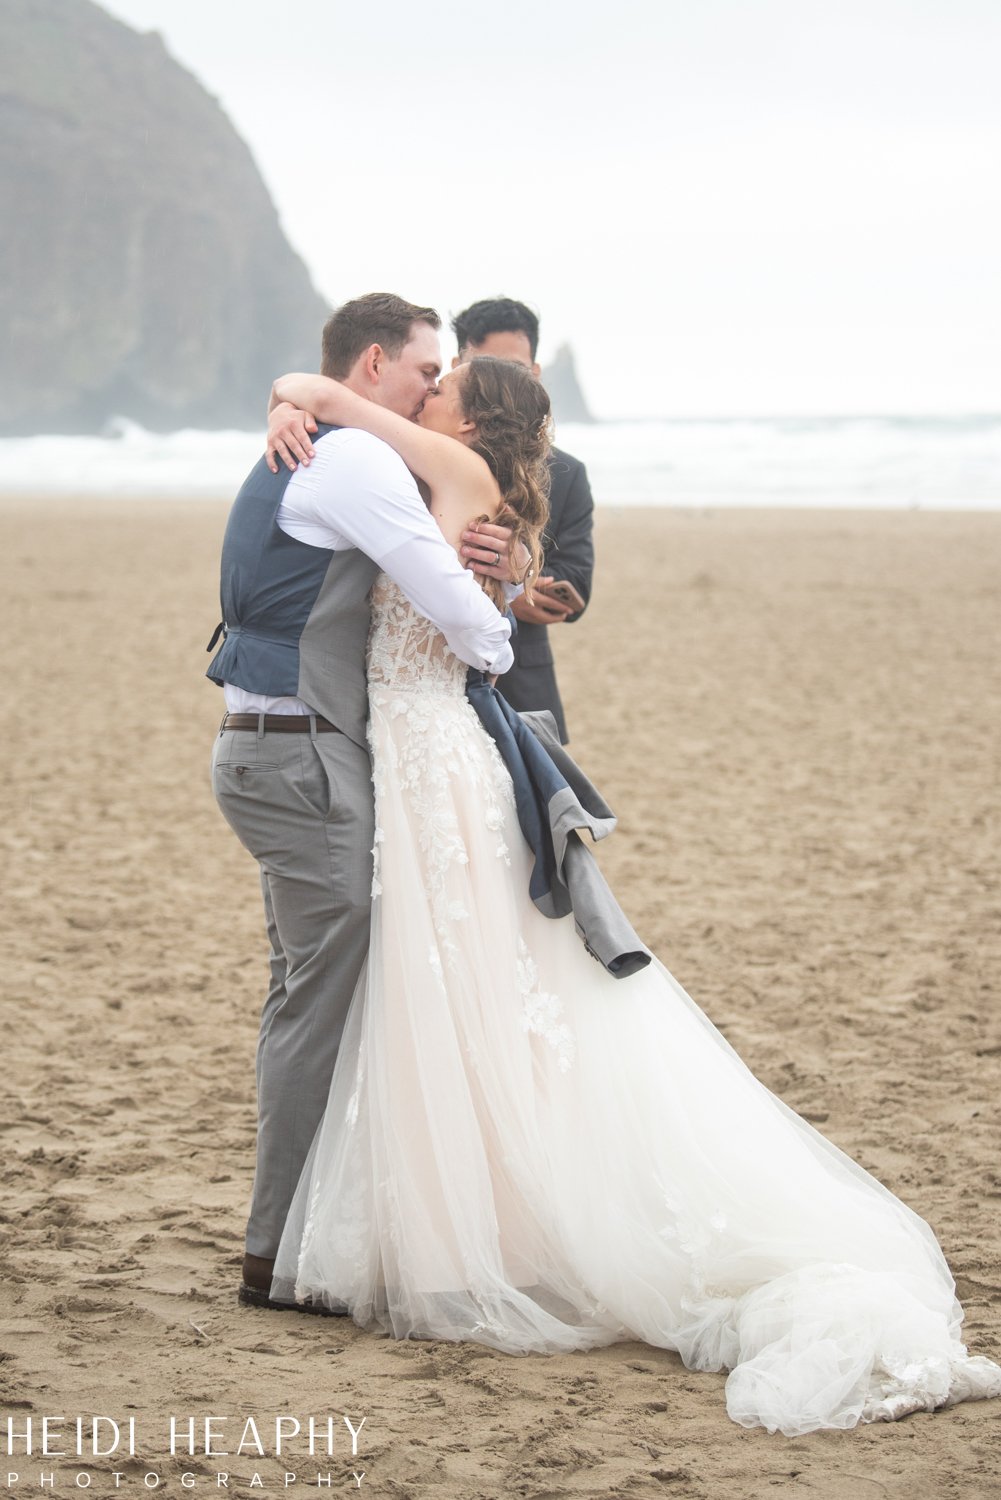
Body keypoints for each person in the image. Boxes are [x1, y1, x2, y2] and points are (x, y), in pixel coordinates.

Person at [260, 362, 1001, 1437]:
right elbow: (334, 415)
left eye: (447, 380)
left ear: (471, 420)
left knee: (461, 982)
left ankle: (486, 1235)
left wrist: (302, 398)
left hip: (438, 767)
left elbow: (343, 405)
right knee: (446, 987)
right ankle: (469, 1224)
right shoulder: (443, 486)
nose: (429, 390)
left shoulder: (453, 466)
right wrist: (294, 401)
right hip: (415, 763)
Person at [207, 293, 529, 1310]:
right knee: (320, 994)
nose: (434, 386)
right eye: (426, 371)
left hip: (305, 749)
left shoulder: (347, 447)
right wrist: (498, 618)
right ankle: (275, 1249)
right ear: (380, 363)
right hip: (299, 757)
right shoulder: (350, 461)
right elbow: (443, 592)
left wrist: (293, 394)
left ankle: (294, 1232)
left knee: (313, 985)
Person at [452, 297, 595, 743]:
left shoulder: (567, 475)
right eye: (485, 367)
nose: (500, 383)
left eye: (513, 369)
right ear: (458, 368)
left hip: (524, 687)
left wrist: (510, 582)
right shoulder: (417, 457)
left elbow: (575, 589)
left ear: (534, 374)